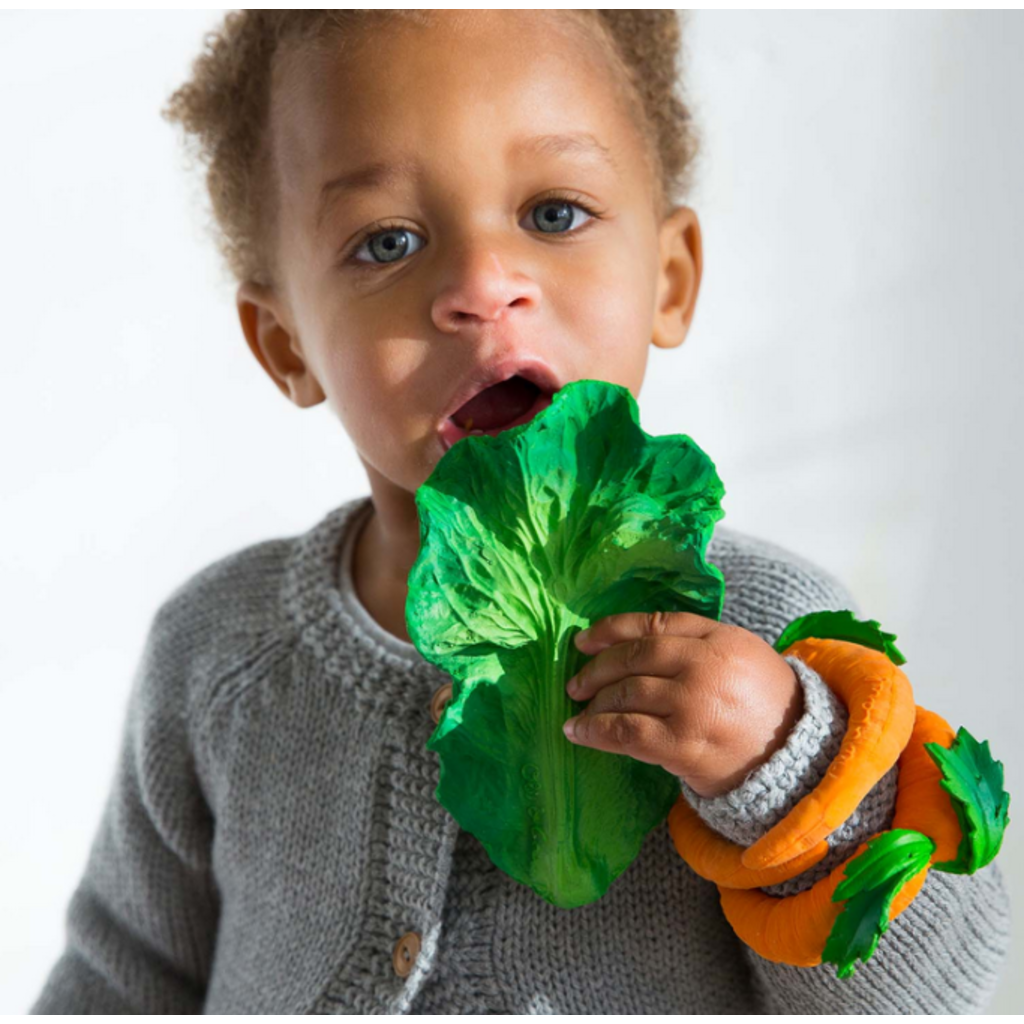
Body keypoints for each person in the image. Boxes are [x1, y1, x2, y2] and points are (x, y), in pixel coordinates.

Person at [29, 10, 1010, 1014]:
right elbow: (122, 974)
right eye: (388, 241)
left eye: (553, 214)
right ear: (286, 345)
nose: (480, 285)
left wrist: (785, 766)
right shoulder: (217, 651)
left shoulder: (762, 631)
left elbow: (932, 991)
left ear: (667, 281)